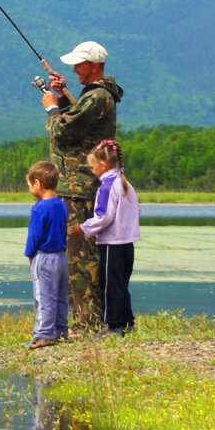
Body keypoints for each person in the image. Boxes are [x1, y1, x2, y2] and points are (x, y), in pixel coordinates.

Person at [39, 40, 124, 332]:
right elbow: (79, 120)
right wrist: (63, 95)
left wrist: (51, 108)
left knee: (80, 260)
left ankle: (86, 325)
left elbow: (64, 131)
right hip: (82, 187)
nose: (75, 69)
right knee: (84, 257)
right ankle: (91, 322)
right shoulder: (96, 96)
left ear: (95, 65)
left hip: (78, 188)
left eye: (79, 64)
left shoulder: (98, 96)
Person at [76, 139, 140, 336]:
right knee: (121, 284)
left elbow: (103, 217)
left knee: (109, 285)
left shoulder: (107, 186)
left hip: (112, 244)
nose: (91, 169)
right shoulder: (125, 184)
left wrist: (84, 228)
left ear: (102, 165)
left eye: (92, 165)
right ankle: (127, 321)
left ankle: (112, 325)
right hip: (127, 243)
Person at [23, 161, 69, 349]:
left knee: (44, 297)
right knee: (60, 296)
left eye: (28, 184)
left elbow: (34, 236)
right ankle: (60, 330)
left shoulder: (39, 208)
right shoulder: (61, 204)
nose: (28, 188)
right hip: (62, 258)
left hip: (45, 257)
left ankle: (43, 335)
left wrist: (29, 255)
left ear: (37, 183)